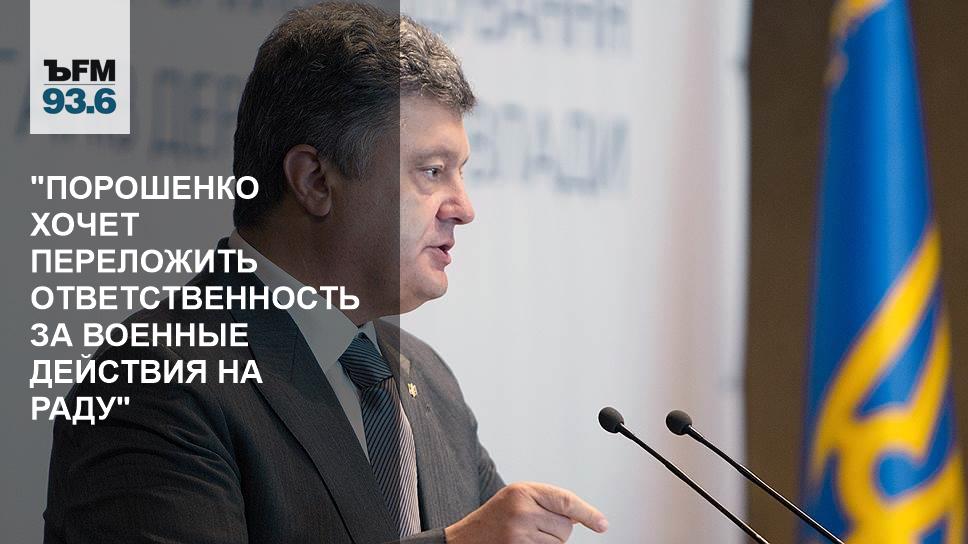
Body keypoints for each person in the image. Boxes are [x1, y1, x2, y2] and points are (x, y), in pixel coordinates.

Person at [43, 3, 608, 543]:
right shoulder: (153, 380)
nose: (464, 207)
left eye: (460, 172)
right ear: (314, 180)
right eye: (432, 172)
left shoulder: (433, 385)